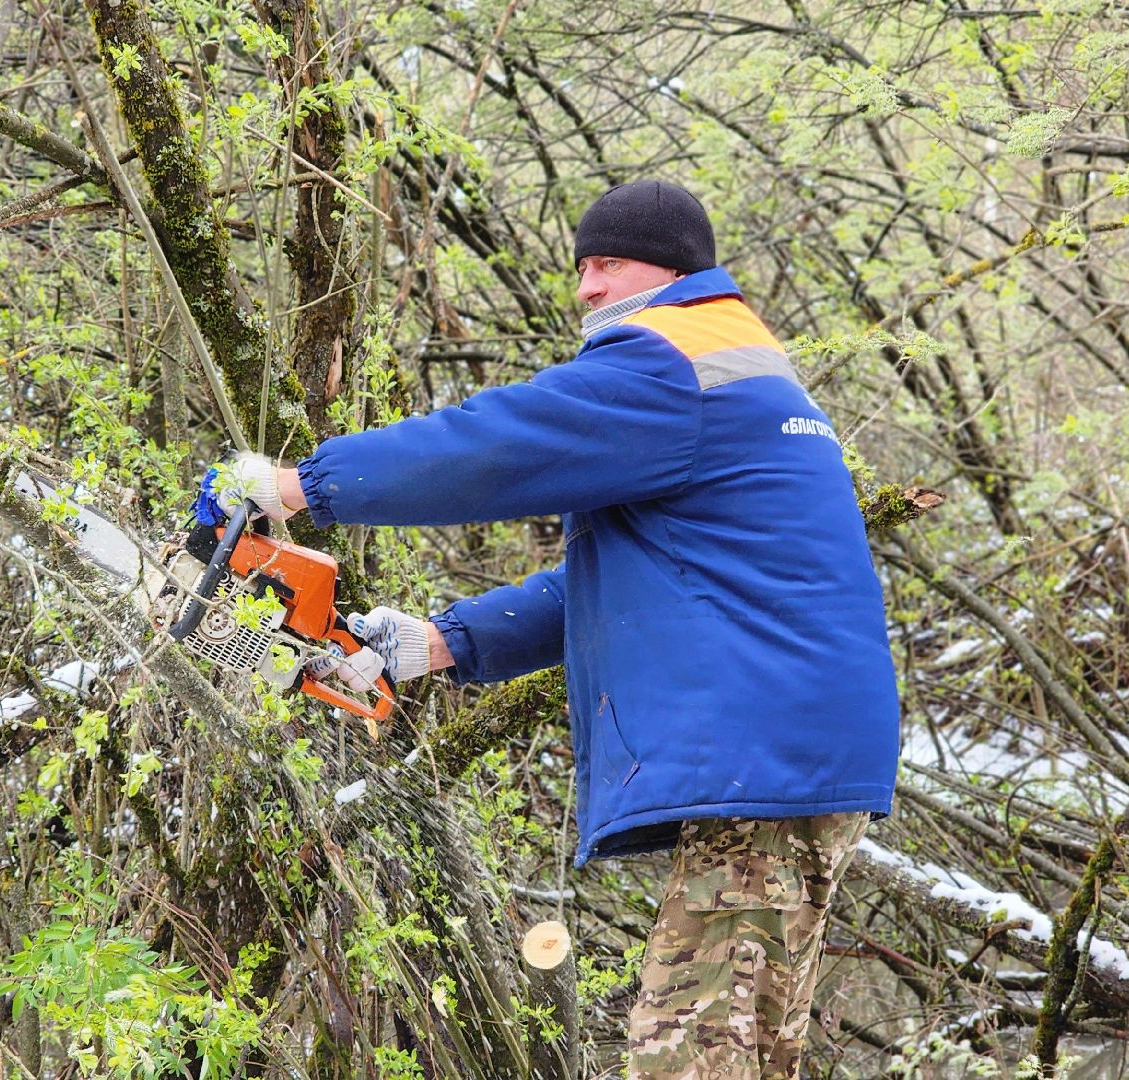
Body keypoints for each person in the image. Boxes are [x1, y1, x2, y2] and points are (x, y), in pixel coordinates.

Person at [203, 179, 900, 1078]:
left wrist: (302, 487)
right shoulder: (732, 362)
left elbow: (496, 446)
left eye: (609, 264)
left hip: (766, 748)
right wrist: (443, 641)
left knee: (686, 1056)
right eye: (581, 267)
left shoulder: (672, 357)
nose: (588, 287)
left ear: (672, 269)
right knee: (747, 1050)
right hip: (788, 744)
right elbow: (642, 580)